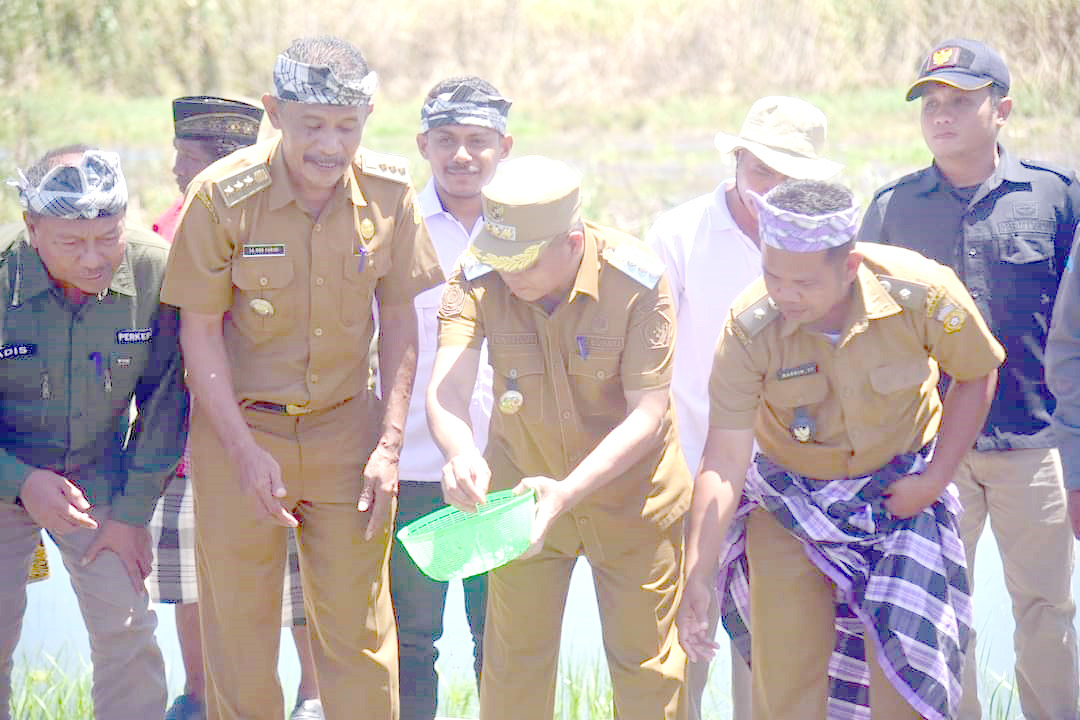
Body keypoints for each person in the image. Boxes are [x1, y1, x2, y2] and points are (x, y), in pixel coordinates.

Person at [160, 36, 443, 720]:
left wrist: (390, 445)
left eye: (347, 126)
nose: (329, 144)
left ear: (369, 117)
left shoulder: (389, 193)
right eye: (312, 124)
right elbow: (199, 335)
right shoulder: (220, 197)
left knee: (361, 636)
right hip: (240, 435)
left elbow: (401, 322)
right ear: (274, 112)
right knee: (239, 636)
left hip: (349, 436)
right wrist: (240, 450)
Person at [679, 179, 1004, 719]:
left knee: (909, 686)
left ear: (850, 265)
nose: (784, 294)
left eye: (803, 282)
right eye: (772, 275)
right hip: (790, 502)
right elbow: (724, 458)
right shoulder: (749, 326)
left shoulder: (921, 293)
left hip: (900, 498)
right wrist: (699, 571)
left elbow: (977, 374)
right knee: (785, 685)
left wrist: (936, 479)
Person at [857, 37, 1080, 719]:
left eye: (959, 100)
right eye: (930, 101)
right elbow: (866, 332)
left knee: (1047, 613)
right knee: (942, 613)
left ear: (1002, 108)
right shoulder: (893, 208)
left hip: (1034, 443)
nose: (941, 114)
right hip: (933, 449)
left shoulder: (1054, 198)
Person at [428, 154, 691, 720]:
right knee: (513, 669)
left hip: (633, 501)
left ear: (572, 244)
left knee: (648, 671)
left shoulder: (636, 278)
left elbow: (648, 414)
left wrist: (567, 492)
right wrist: (460, 451)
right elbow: (447, 391)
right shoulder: (479, 273)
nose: (508, 274)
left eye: (523, 261)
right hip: (521, 502)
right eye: (500, 258)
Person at [645, 95, 842, 720]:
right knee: (682, 647)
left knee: (773, 658)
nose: (772, 191)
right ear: (735, 161)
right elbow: (650, 365)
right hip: (690, 468)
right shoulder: (675, 234)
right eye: (762, 172)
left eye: (791, 178)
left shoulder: (831, 243)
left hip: (794, 479)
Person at [147, 95, 325, 720]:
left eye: (188, 159)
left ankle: (311, 697)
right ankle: (196, 700)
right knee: (193, 586)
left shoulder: (290, 218)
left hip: (285, 438)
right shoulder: (161, 232)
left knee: (300, 581)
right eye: (178, 155)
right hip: (190, 447)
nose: (176, 170)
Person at [0, 145, 186, 719]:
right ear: (32, 227)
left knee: (128, 626)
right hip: (5, 470)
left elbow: (167, 401)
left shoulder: (155, 267)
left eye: (108, 237)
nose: (93, 259)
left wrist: (132, 515)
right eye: (71, 242)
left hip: (100, 480)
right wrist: (20, 480)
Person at [390, 75, 510, 720]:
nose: (461, 155)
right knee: (411, 642)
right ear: (423, 144)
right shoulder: (393, 225)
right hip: (412, 468)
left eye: (477, 141)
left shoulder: (530, 230)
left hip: (508, 471)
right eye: (446, 140)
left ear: (504, 146)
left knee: (505, 641)